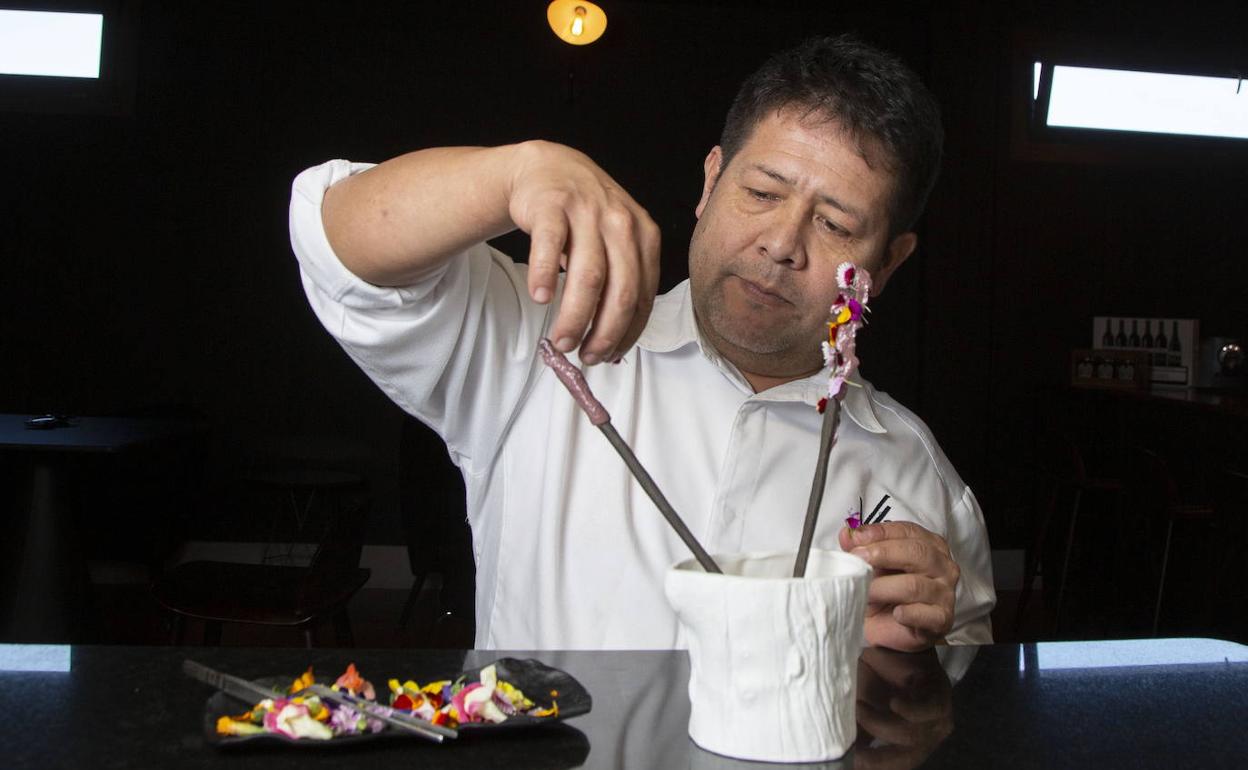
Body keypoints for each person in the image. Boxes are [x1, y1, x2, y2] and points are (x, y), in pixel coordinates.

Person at [289, 34, 995, 651]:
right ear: (711, 180)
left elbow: (953, 706)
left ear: (889, 263)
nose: (782, 243)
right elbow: (335, 244)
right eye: (763, 192)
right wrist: (517, 171)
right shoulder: (548, 343)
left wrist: (918, 649)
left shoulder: (920, 481)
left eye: (836, 225)